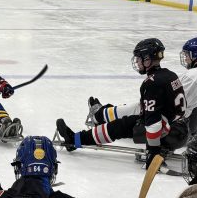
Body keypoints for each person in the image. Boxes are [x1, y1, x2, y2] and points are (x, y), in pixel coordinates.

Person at [56, 38, 188, 165]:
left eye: (139, 58)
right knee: (129, 119)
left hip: (168, 133)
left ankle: (74, 140)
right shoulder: (171, 74)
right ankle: (91, 124)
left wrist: (153, 152)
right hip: (181, 130)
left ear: (147, 59)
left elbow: (153, 124)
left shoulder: (151, 83)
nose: (137, 62)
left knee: (119, 127)